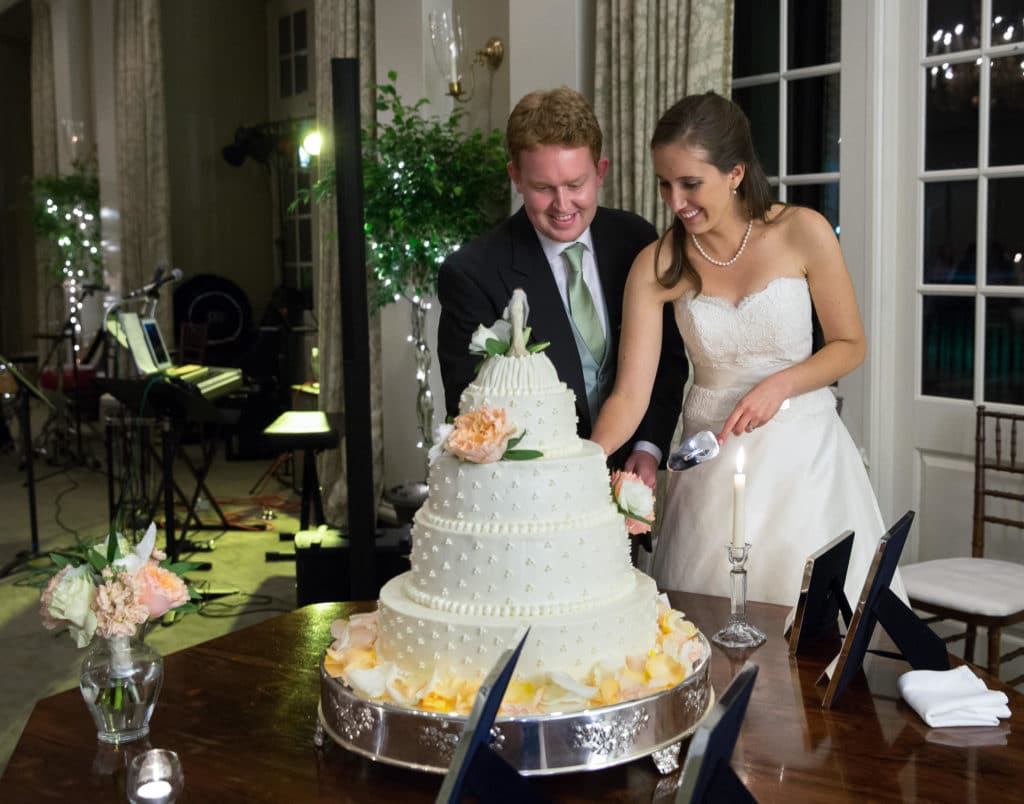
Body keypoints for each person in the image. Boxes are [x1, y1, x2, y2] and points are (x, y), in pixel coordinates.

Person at [591, 91, 904, 608]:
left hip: (806, 462)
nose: (675, 202)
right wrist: (581, 463)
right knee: (709, 629)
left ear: (735, 173)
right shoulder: (657, 264)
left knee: (817, 635)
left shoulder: (803, 231)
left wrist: (779, 385)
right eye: (665, 184)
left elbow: (850, 346)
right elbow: (630, 396)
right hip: (711, 466)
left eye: (691, 183)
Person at [437, 87, 687, 488]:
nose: (562, 203)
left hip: (631, 484)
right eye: (543, 188)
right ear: (515, 176)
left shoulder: (636, 240)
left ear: (600, 171)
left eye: (575, 184)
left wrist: (647, 446)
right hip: (536, 498)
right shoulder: (471, 274)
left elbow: (669, 360)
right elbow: (473, 413)